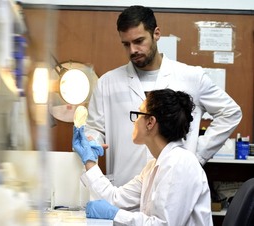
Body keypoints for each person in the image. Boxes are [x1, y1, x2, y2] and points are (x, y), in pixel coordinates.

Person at [85, 5, 242, 186]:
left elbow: (230, 112)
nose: (132, 50)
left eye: (139, 41)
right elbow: (94, 129)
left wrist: (197, 154)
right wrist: (91, 142)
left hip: (175, 184)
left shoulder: (191, 77)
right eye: (126, 44)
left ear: (156, 34)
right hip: (124, 184)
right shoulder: (107, 83)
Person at [73, 88, 213, 225]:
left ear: (150, 122)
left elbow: (164, 224)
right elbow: (114, 199)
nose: (134, 121)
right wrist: (89, 160)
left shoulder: (180, 163)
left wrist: (115, 214)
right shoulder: (154, 166)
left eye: (138, 114)